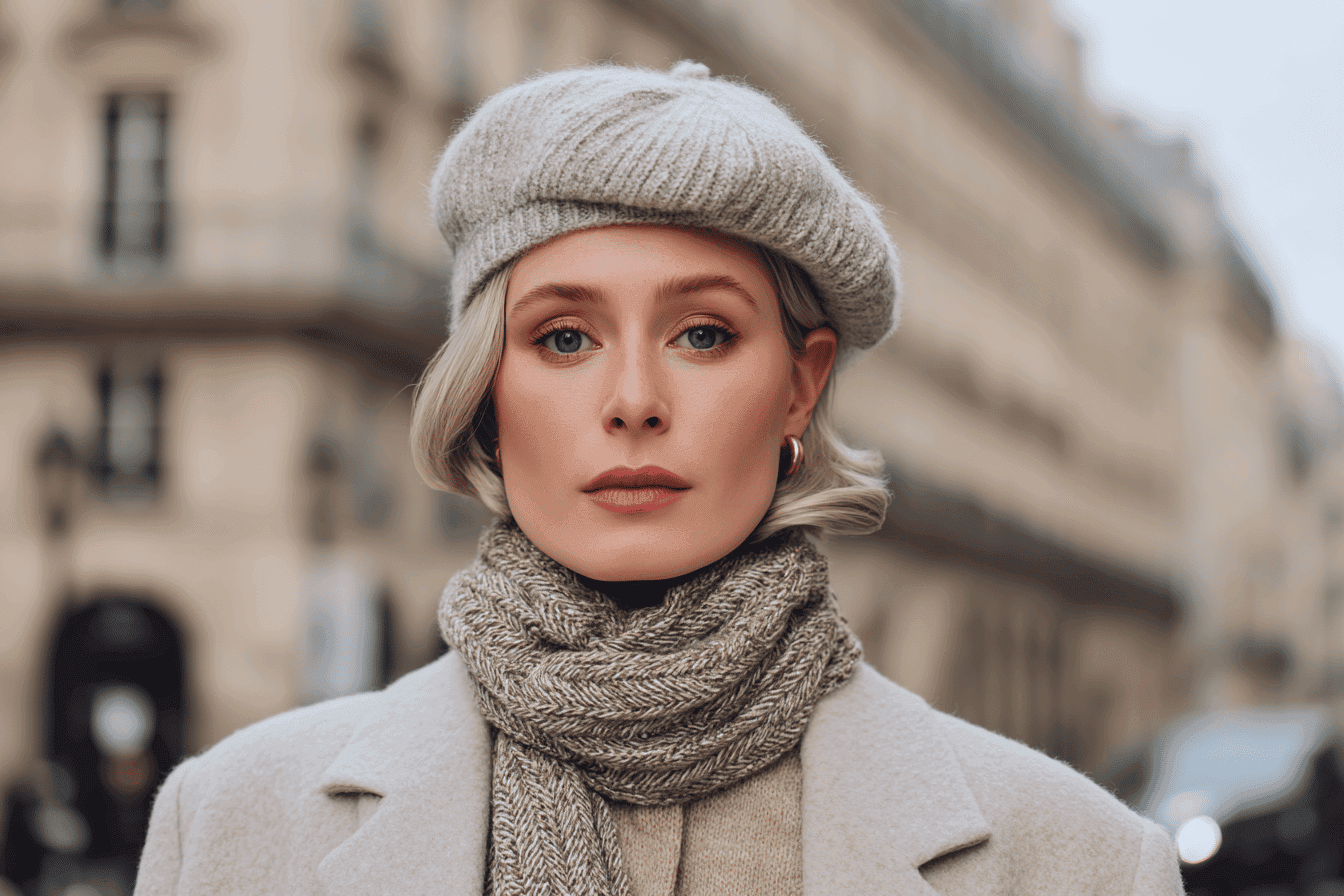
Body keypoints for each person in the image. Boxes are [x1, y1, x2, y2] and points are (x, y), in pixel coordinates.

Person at [133, 61, 1184, 895]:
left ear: (800, 386)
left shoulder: (1082, 861)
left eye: (703, 333)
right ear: (486, 390)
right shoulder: (229, 825)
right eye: (563, 338)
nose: (633, 399)